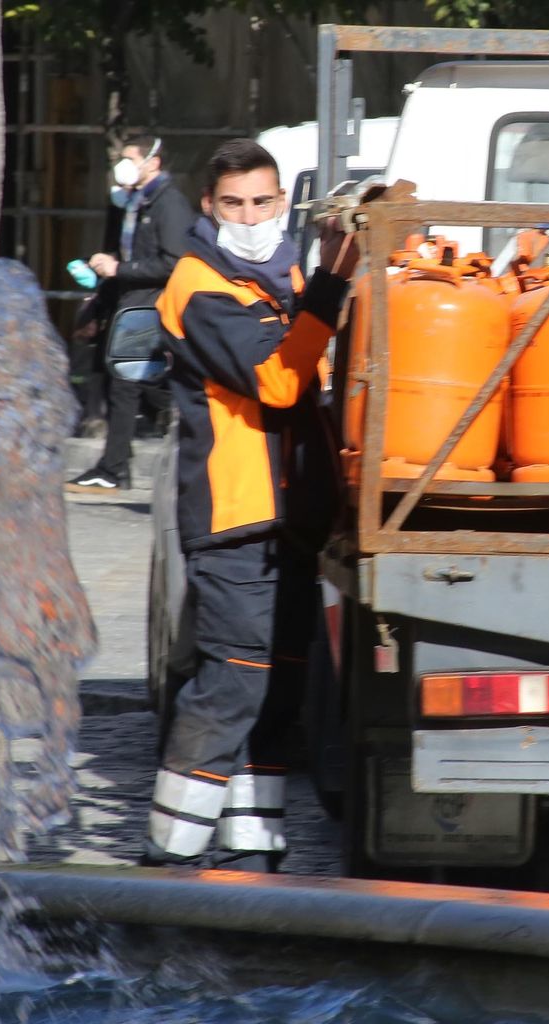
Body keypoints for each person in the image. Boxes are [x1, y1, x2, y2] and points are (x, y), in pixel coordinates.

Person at [142, 138, 357, 870]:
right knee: (234, 682)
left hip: (288, 522)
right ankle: (168, 859)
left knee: (278, 690)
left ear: (282, 202)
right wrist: (331, 285)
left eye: (263, 202)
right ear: (209, 206)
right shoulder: (199, 284)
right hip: (236, 520)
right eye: (234, 204)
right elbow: (277, 380)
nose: (251, 216)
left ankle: (252, 854)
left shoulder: (278, 272)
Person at [68, 134, 194, 491]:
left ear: (153, 162)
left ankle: (114, 468)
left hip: (149, 306)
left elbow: (174, 262)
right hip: (130, 303)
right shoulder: (134, 202)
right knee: (122, 381)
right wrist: (103, 277)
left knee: (131, 383)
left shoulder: (169, 204)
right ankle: (115, 466)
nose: (122, 165)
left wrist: (120, 269)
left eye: (130, 158)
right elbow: (129, 253)